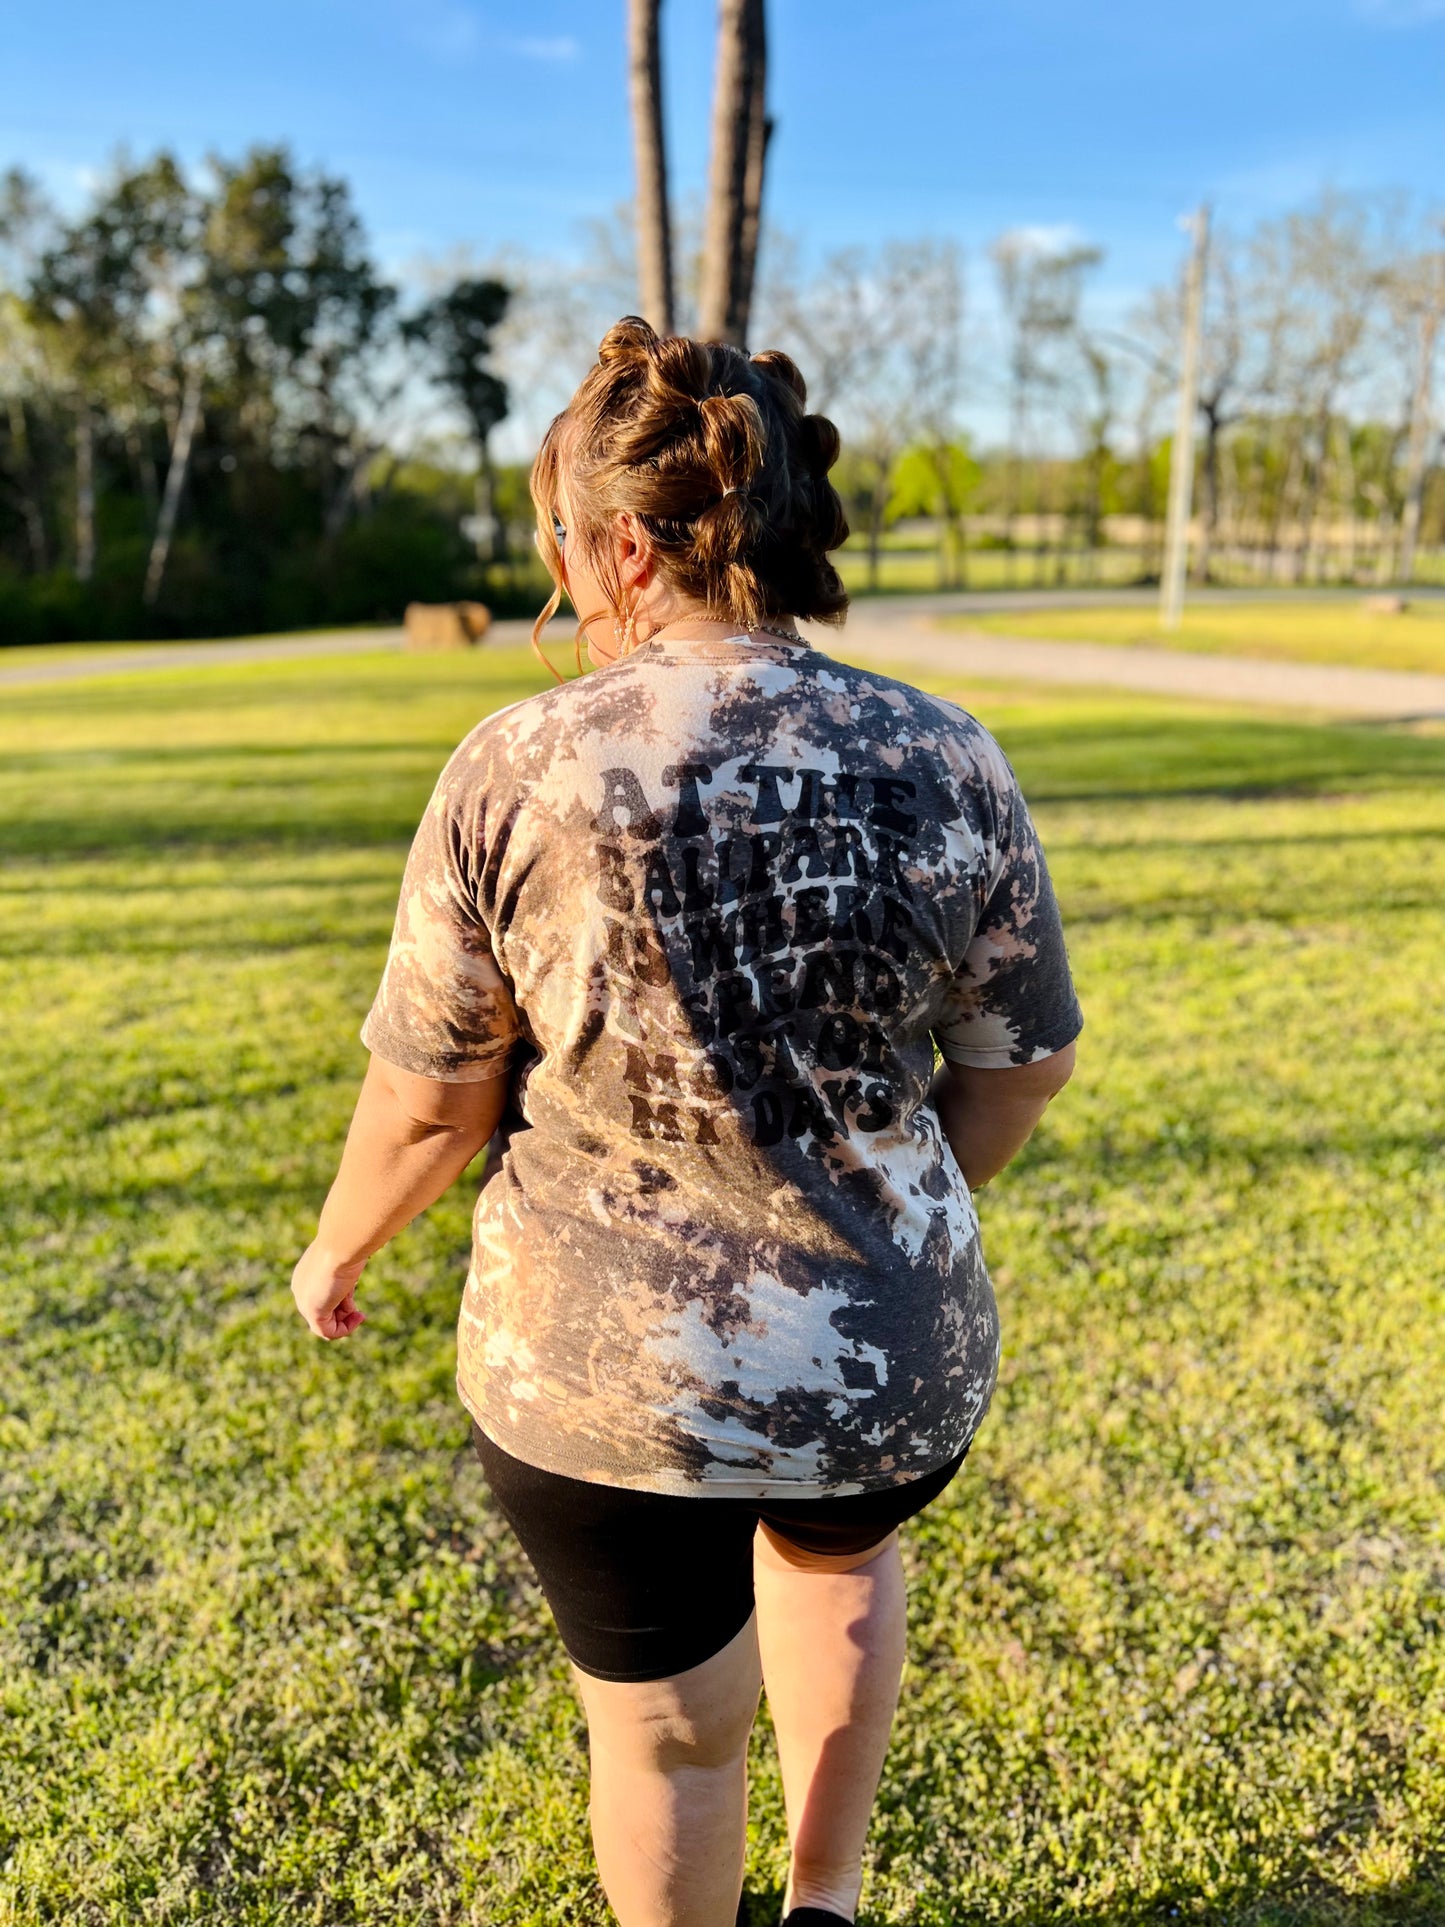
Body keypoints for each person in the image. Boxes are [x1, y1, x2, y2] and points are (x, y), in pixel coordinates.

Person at [291, 317, 1082, 1927]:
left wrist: (335, 1247)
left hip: (603, 1381)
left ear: (629, 546)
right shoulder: (943, 753)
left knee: (665, 1743)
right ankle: (828, 1901)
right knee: (841, 1566)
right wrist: (900, 1206)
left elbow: (433, 1106)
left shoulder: (515, 766)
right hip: (886, 1349)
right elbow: (1016, 1068)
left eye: (564, 550)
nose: (564, 583)